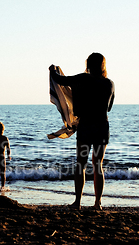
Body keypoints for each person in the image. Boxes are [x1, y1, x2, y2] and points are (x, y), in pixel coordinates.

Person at [49, 52, 115, 210]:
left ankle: (78, 202)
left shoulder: (82, 79)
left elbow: (60, 80)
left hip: (86, 126)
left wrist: (52, 70)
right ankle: (97, 203)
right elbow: (109, 107)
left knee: (81, 165)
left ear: (88, 65)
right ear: (103, 65)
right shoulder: (109, 84)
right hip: (101, 126)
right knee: (98, 165)